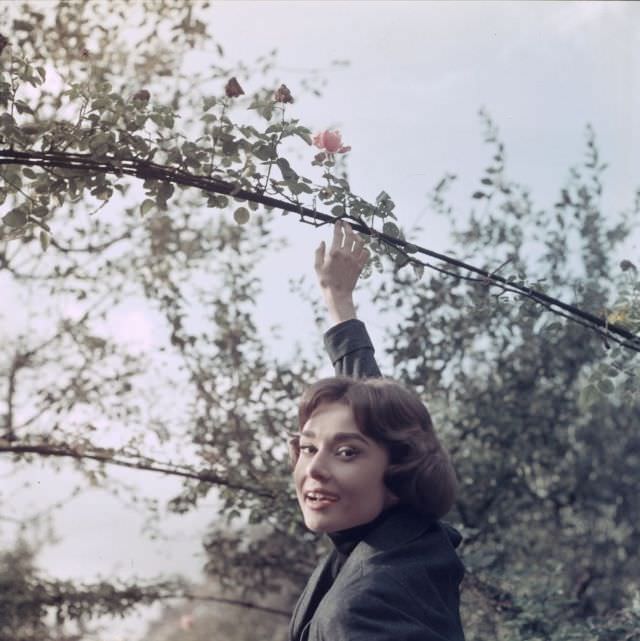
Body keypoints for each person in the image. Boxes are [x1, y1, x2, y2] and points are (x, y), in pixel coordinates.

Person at [287, 221, 466, 641]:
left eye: (346, 453)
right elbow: (378, 421)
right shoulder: (413, 534)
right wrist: (339, 304)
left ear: (398, 475)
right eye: (309, 448)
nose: (314, 470)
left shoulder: (358, 615)